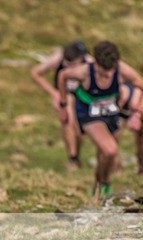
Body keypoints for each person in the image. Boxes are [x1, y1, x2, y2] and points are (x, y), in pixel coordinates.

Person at [57, 40, 143, 203]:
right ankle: (104, 183)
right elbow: (63, 75)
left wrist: (137, 112)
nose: (107, 75)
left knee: (104, 155)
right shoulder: (84, 72)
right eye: (102, 72)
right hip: (90, 115)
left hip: (112, 114)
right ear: (96, 63)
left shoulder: (122, 69)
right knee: (111, 150)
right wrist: (64, 105)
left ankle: (99, 186)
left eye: (110, 71)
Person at [30, 41, 92, 171]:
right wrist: (55, 94)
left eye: (73, 66)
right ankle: (73, 159)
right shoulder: (57, 59)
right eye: (66, 65)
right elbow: (36, 73)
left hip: (82, 97)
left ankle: (76, 155)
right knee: (68, 120)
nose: (69, 70)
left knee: (79, 132)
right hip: (65, 95)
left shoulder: (90, 63)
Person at [119, 81, 143, 175]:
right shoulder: (121, 95)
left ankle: (142, 169)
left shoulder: (139, 104)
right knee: (113, 137)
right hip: (122, 108)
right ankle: (116, 167)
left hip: (139, 109)